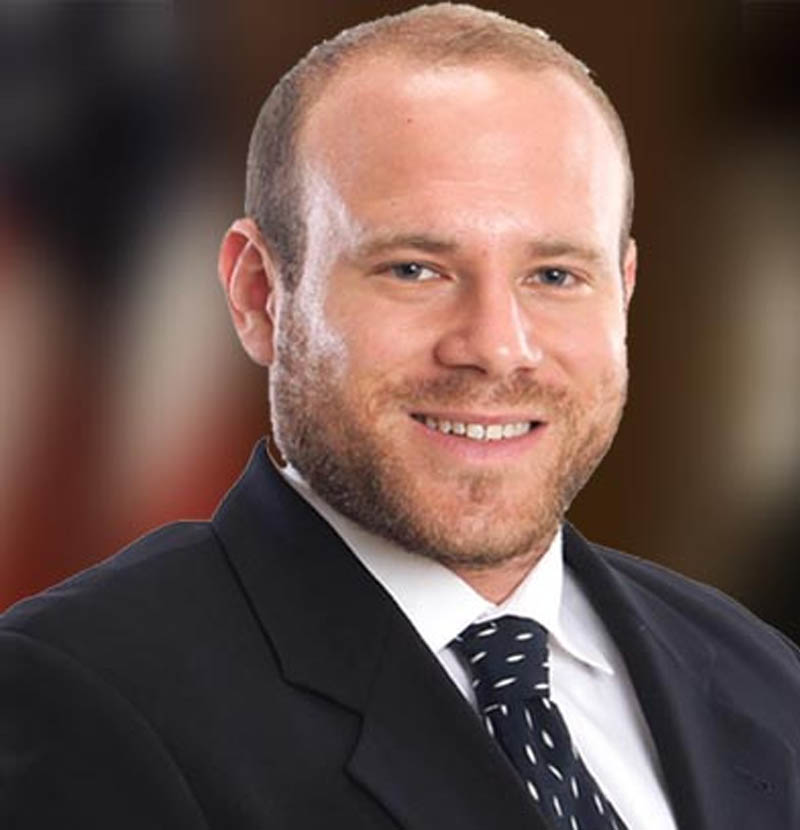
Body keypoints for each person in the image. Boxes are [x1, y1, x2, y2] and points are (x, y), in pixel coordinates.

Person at [1, 5, 798, 829]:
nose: (497, 347)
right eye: (415, 269)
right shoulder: (79, 696)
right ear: (259, 295)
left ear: (622, 292)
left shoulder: (763, 676)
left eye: (555, 276)